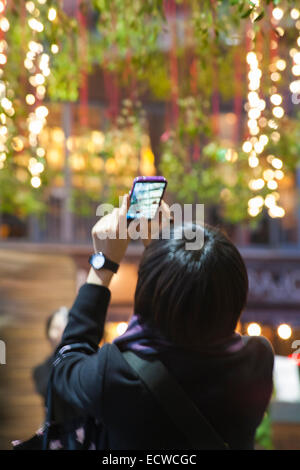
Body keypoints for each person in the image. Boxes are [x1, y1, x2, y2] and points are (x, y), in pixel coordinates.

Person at [51, 195, 274, 450]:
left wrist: (103, 263)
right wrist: (164, 251)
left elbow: (65, 365)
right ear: (237, 294)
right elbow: (185, 314)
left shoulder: (117, 374)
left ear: (144, 295)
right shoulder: (257, 360)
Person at [33, 306, 69, 403]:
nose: (53, 334)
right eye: (52, 328)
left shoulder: (82, 360)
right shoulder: (41, 370)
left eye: (58, 328)